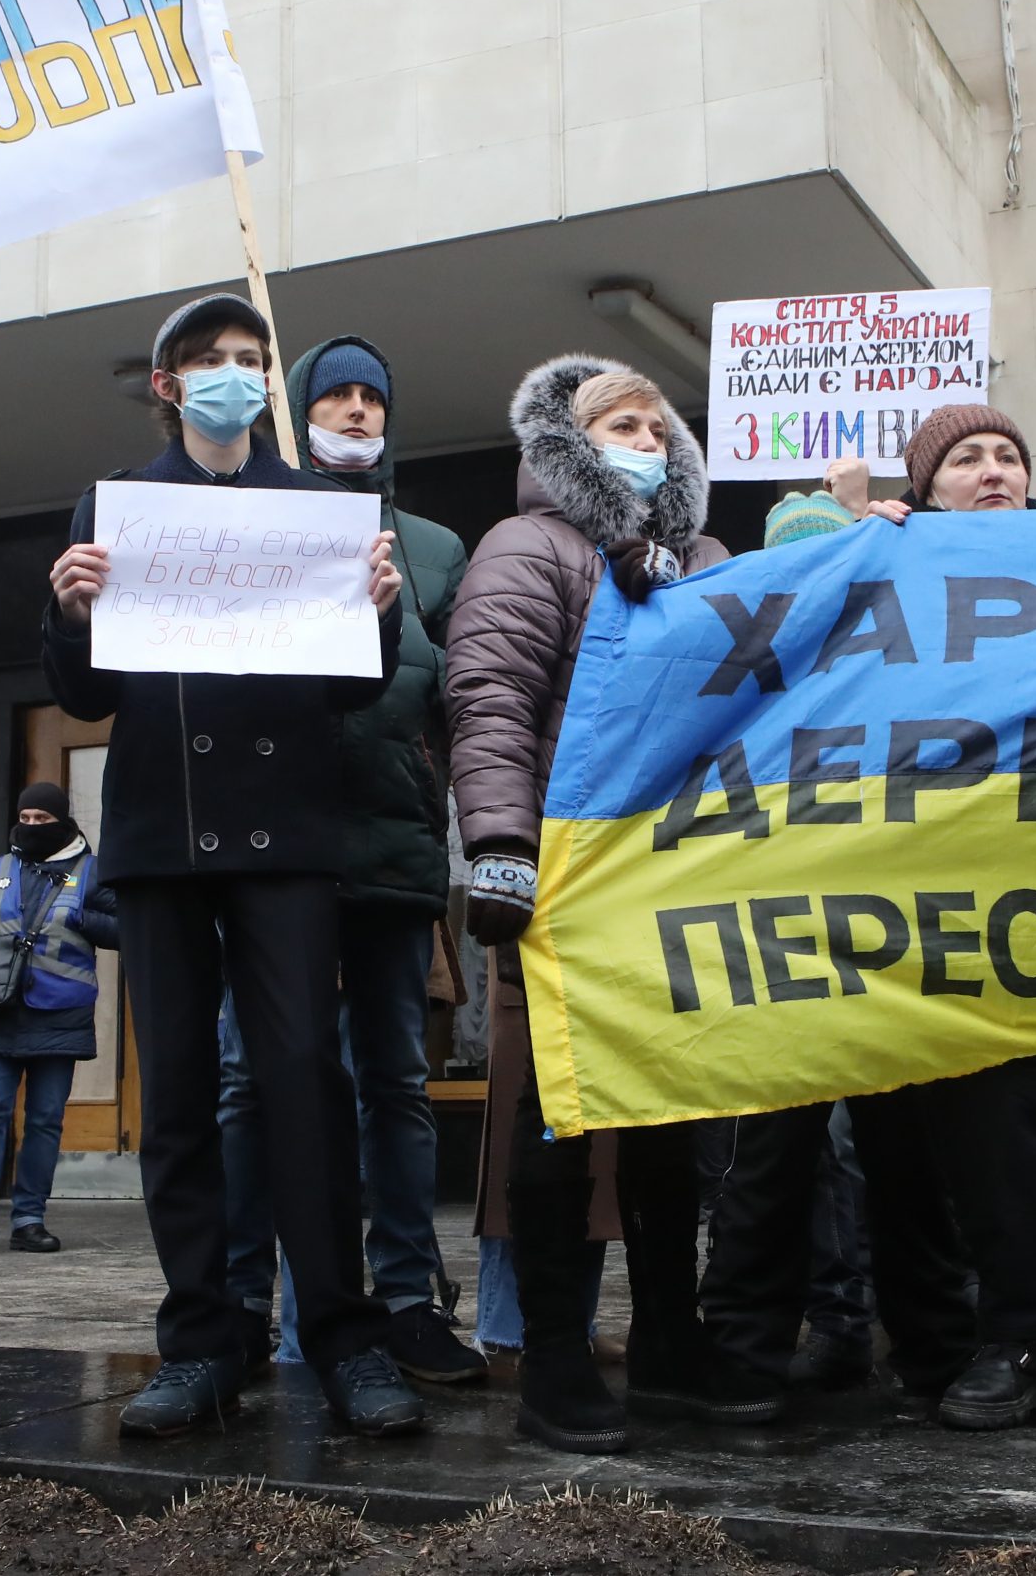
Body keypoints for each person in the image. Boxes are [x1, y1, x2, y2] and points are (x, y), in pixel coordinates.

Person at [43, 291, 424, 1440]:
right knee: (176, 1105)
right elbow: (86, 695)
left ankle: (345, 1338)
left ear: (270, 380)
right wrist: (69, 614)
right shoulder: (115, 507)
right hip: (163, 835)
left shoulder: (320, 508)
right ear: (166, 384)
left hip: (289, 837)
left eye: (248, 357)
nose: (231, 373)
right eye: (207, 359)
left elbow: (356, 691)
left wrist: (381, 613)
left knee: (307, 1081)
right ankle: (202, 1338)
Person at [446, 355, 739, 1455]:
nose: (643, 439)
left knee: (673, 1106)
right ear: (568, 442)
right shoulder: (528, 549)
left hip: (675, 871)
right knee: (556, 1108)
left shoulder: (704, 561)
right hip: (564, 875)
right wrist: (501, 847)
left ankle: (669, 1337)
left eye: (656, 427)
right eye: (619, 422)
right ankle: (557, 1355)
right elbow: (490, 702)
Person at [211, 338, 483, 1384]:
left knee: (394, 1082)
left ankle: (407, 1299)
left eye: (374, 395)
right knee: (249, 1079)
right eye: (337, 395)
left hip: (388, 843)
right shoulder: (244, 523)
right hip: (269, 846)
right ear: (299, 413)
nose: (358, 410)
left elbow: (461, 693)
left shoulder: (433, 546)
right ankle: (242, 1300)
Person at [687, 472, 978, 1418]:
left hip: (888, 925)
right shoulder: (743, 655)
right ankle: (745, 1354)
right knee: (772, 1154)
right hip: (781, 932)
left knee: (904, 1153)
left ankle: (928, 1346)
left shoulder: (906, 646)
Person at [865, 404, 1036, 1431]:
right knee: (926, 1137)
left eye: (1008, 455)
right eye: (965, 458)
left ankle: (1027, 1345)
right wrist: (853, 557)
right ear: (924, 489)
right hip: (926, 897)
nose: (992, 470)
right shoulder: (880, 572)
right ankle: (939, 1338)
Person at [0, 781, 118, 1258]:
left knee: (44, 1120)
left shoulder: (92, 873)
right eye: (27, 818)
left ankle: (29, 1220)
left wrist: (85, 919)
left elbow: (125, 928)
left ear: (63, 822)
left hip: (61, 1014)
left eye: (44, 819)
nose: (33, 827)